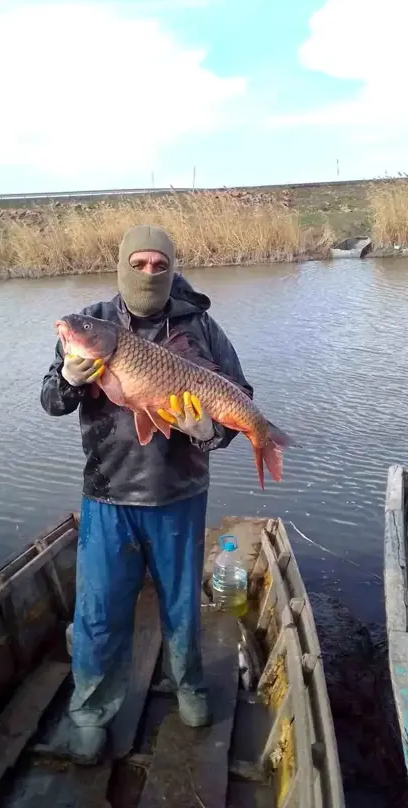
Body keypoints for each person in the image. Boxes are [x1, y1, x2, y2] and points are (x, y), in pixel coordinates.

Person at [40, 223, 254, 764]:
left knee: (182, 607)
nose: (149, 272)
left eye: (160, 264)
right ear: (121, 266)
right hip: (107, 493)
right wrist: (68, 376)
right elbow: (50, 401)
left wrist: (211, 432)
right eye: (138, 263)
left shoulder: (201, 327)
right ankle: (90, 711)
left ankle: (188, 686)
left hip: (179, 493)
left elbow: (240, 398)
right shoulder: (93, 323)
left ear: (172, 266)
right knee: (98, 610)